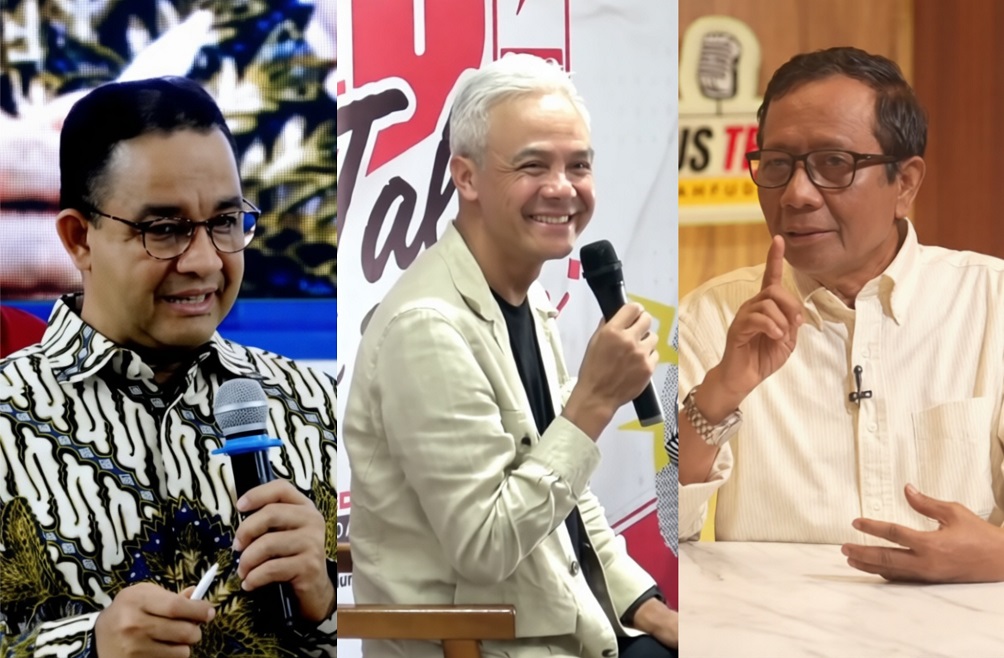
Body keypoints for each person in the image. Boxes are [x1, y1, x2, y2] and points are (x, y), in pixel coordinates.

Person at [343, 54, 679, 657]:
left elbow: (568, 499)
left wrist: (647, 609)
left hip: (562, 621)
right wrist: (595, 401)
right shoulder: (428, 329)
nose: (562, 188)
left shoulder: (526, 298)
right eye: (533, 166)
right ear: (466, 178)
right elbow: (486, 544)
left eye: (578, 165)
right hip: (484, 642)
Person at [0, 77, 337, 657]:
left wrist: (328, 601)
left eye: (227, 222)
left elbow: (406, 627)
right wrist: (90, 648)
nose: (205, 260)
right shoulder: (8, 416)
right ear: (79, 238)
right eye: (165, 230)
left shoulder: (311, 403)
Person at [676, 46, 1004, 583]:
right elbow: (657, 532)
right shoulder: (709, 319)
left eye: (835, 164)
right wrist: (718, 395)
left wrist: (996, 558)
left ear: (905, 183)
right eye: (779, 165)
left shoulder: (993, 305)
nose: (797, 194)